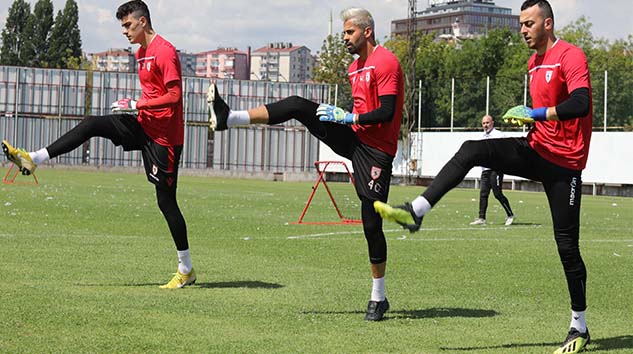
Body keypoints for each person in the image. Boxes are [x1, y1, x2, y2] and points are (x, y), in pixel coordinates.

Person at [374, 0, 592, 352]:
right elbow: (547, 112)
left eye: (529, 23)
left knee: (567, 246)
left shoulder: (570, 56)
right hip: (536, 149)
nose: (523, 29)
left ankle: (578, 327)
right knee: (473, 149)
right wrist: (530, 119)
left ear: (548, 24)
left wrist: (537, 112)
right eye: (521, 23)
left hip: (565, 164)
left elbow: (580, 102)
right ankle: (417, 210)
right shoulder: (533, 62)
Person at [208, 7, 403, 321]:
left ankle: (378, 298)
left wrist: (349, 116)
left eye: (349, 32)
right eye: (343, 33)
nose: (345, 39)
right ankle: (230, 118)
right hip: (353, 137)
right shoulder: (354, 67)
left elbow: (387, 113)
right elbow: (361, 109)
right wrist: (339, 114)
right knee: (300, 105)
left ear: (367, 31)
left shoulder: (387, 62)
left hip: (377, 151)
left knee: (371, 223)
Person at [2, 0, 196, 289]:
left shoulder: (164, 51)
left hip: (164, 140)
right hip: (143, 126)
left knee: (166, 202)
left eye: (128, 25)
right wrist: (136, 107)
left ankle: (186, 269)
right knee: (93, 123)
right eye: (122, 26)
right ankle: (34, 158)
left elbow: (175, 96)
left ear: (143, 22)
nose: (124, 31)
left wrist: (136, 102)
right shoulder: (141, 52)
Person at [469, 115, 515, 226]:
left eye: (487, 123)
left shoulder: (499, 135)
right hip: (485, 169)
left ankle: (510, 214)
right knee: (483, 194)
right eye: (484, 123)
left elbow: (506, 150)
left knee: (497, 193)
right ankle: (481, 218)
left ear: (492, 123)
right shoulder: (482, 137)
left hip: (496, 169)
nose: (485, 125)